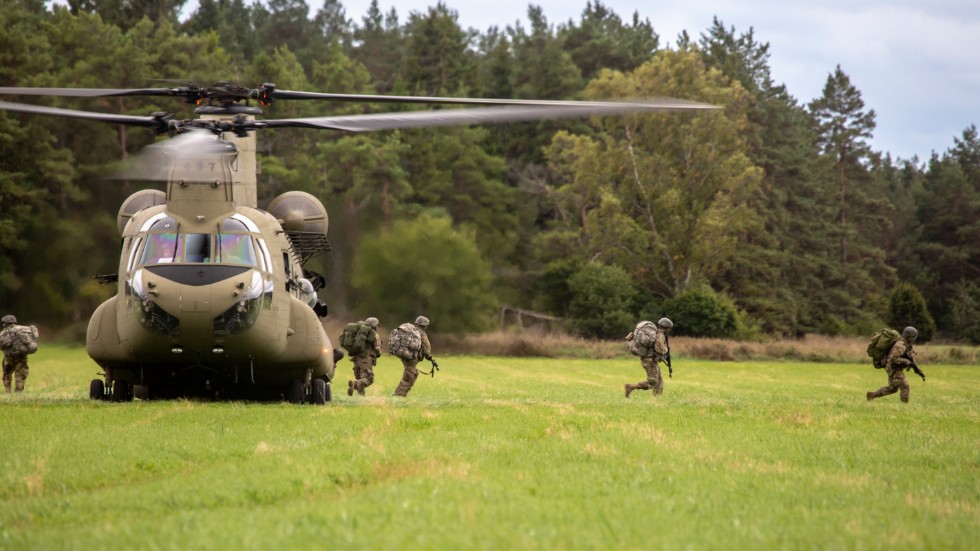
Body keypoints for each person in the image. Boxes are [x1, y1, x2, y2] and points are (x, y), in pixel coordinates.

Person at [867, 326, 921, 403]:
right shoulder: (900, 345)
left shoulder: (907, 344)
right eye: (913, 337)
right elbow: (893, 358)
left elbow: (910, 357)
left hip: (894, 367)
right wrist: (907, 362)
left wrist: (917, 369)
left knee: (892, 389)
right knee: (905, 386)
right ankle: (904, 404)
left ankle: (872, 395)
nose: (914, 339)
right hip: (893, 367)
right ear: (910, 336)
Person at [625, 317, 672, 398]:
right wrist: (665, 351)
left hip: (650, 360)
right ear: (666, 327)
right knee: (653, 382)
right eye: (669, 329)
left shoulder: (655, 333)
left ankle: (656, 399)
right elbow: (660, 350)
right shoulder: (659, 335)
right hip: (649, 360)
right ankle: (631, 387)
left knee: (660, 382)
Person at [393, 316, 438, 397]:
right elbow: (426, 348)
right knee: (409, 376)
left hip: (404, 355)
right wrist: (430, 358)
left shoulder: (409, 331)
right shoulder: (421, 333)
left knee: (413, 374)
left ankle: (401, 394)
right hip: (412, 358)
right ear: (424, 326)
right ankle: (398, 395)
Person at [347, 317, 381, 397]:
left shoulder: (358, 333)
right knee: (369, 379)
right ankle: (354, 383)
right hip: (365, 360)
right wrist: (378, 354)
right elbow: (377, 348)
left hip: (356, 359)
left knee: (361, 379)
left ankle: (361, 397)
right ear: (375, 326)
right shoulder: (373, 334)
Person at [1, 315, 33, 393]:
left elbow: (2, 346)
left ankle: (7, 391)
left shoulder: (5, 332)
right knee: (20, 374)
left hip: (10, 356)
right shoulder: (24, 330)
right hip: (22, 355)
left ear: (6, 323)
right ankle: (18, 391)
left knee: (7, 373)